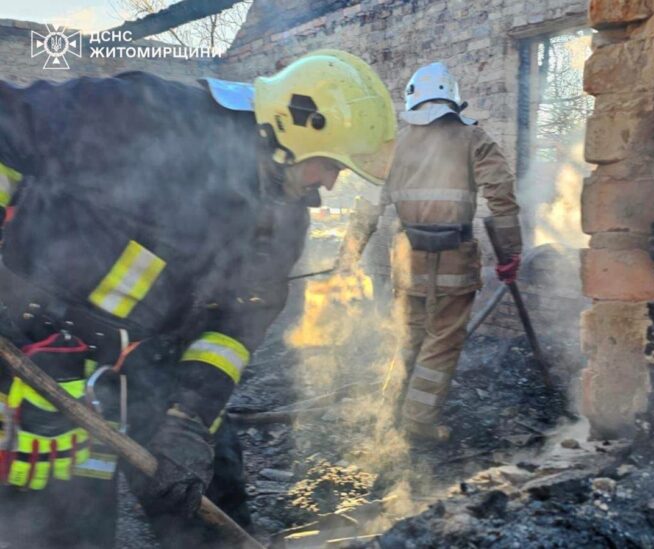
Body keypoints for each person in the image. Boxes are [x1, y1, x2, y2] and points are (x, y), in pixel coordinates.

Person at [0, 49, 395, 548]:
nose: (330, 183)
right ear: (294, 126)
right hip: (41, 349)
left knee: (207, 509)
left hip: (156, 363)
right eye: (330, 164)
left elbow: (236, 329)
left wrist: (188, 422)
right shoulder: (145, 115)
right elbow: (7, 124)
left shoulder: (285, 216)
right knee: (63, 529)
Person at [337, 61, 522, 443]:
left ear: (413, 99)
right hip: (455, 258)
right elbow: (501, 198)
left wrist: (347, 256)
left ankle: (391, 413)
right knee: (441, 342)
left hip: (408, 261)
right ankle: (418, 423)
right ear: (453, 99)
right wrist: (510, 254)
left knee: (408, 336)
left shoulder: (395, 145)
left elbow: (368, 204)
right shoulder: (474, 138)